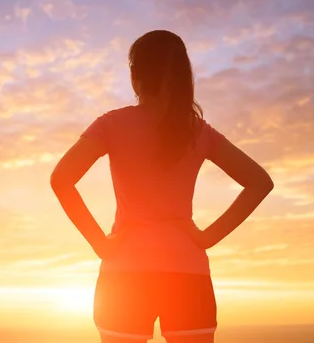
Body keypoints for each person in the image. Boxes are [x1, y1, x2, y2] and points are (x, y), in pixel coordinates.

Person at [49, 30, 274, 343]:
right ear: (184, 76)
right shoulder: (198, 131)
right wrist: (207, 237)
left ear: (134, 76)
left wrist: (99, 243)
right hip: (187, 273)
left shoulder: (111, 124)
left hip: (125, 273)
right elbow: (260, 182)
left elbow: (61, 179)